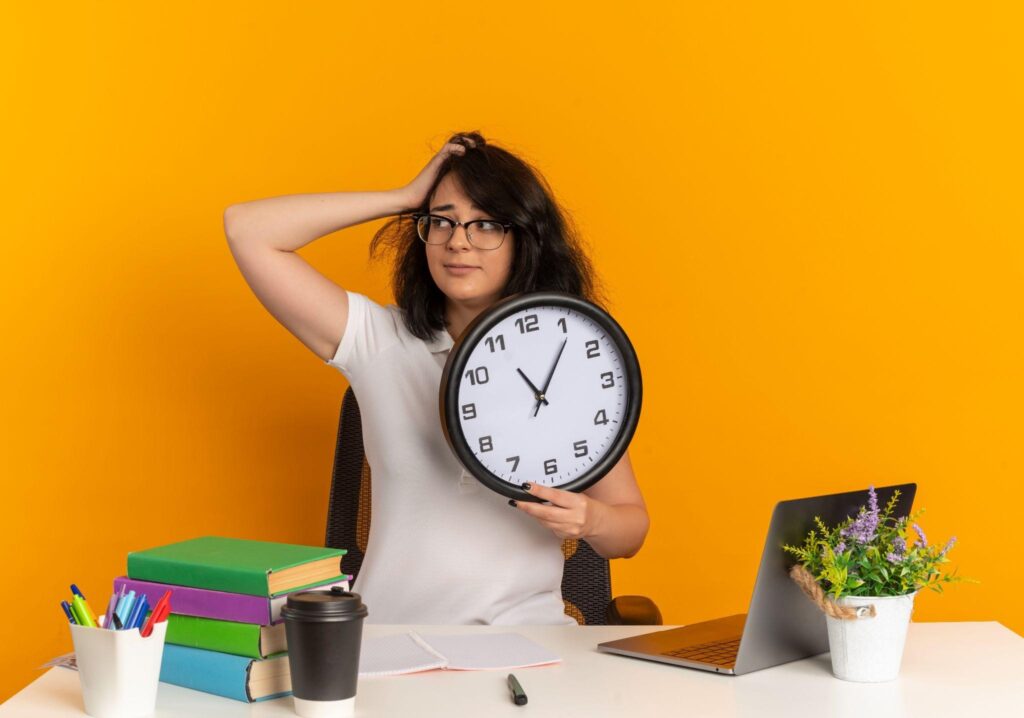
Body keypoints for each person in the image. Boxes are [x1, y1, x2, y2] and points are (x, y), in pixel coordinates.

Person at [224, 131, 649, 624]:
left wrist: (590, 519)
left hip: (528, 647)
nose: (458, 241)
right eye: (440, 221)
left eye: (485, 224)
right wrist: (403, 198)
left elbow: (631, 529)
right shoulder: (378, 341)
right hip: (391, 644)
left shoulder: (573, 358)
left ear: (524, 240)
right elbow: (247, 229)